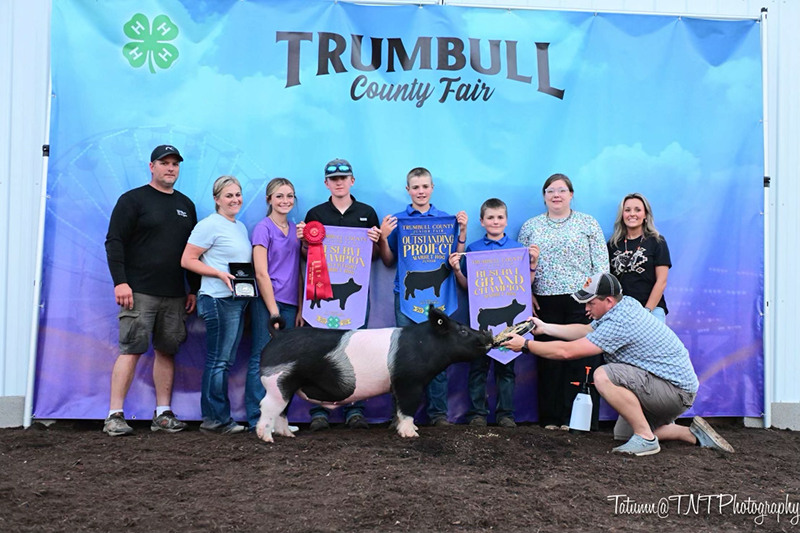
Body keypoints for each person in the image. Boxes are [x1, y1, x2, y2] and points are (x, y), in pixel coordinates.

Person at [502, 271, 734, 456]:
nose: (586, 308)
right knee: (623, 434)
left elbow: (567, 352)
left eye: (590, 303)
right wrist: (545, 328)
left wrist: (526, 345)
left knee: (603, 375)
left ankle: (646, 438)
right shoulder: (624, 305)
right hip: (672, 388)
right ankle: (691, 435)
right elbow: (587, 331)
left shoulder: (620, 322)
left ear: (609, 301)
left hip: (674, 392)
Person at [103, 144, 198, 437]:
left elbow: (193, 252)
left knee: (167, 351)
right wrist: (120, 281)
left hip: (175, 293)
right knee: (131, 349)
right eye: (164, 163)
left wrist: (193, 289)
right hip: (138, 292)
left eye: (175, 164)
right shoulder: (132, 200)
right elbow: (114, 241)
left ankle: (163, 414)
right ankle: (114, 416)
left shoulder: (186, 205)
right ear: (151, 166)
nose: (170, 168)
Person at [517, 173, 608, 431]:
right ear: (544, 196)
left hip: (582, 302)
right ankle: (551, 418)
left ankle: (579, 421)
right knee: (549, 360)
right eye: (550, 191)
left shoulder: (588, 223)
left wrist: (596, 299)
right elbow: (520, 265)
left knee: (582, 359)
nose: (556, 195)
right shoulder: (530, 227)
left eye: (561, 190)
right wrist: (527, 293)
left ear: (571, 194)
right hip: (545, 302)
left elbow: (602, 265)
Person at [379, 167, 468, 426]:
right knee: (404, 357)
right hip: (406, 300)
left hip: (440, 301)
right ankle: (400, 415)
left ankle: (438, 414)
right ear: (408, 190)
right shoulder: (397, 221)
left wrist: (462, 232)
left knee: (438, 355)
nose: (420, 191)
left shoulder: (446, 220)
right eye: (415, 187)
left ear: (432, 188)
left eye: (425, 186)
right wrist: (383, 238)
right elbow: (388, 260)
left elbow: (456, 257)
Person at [301, 158, 381, 431]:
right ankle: (319, 410)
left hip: (355, 298)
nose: (339, 183)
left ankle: (355, 409)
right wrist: (305, 243)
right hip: (322, 292)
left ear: (352, 181)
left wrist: (376, 242)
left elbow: (376, 256)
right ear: (326, 183)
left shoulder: (367, 213)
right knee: (319, 351)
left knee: (356, 350)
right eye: (334, 179)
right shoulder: (315, 213)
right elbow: (306, 255)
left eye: (343, 178)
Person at [448, 198, 536, 429]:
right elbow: (467, 287)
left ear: (506, 220)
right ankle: (477, 413)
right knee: (478, 368)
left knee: (506, 368)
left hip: (508, 327)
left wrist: (533, 264)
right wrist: (457, 270)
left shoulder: (518, 249)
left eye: (499, 217)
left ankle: (506, 414)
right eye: (490, 218)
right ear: (482, 221)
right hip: (481, 322)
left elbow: (525, 286)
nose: (495, 221)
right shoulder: (473, 250)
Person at [181, 175, 251, 435]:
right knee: (219, 361)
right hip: (217, 299)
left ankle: (217, 417)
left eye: (237, 194)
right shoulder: (209, 225)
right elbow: (187, 260)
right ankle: (215, 419)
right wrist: (218, 274)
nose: (235, 199)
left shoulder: (240, 227)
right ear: (217, 199)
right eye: (228, 195)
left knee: (224, 361)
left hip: (235, 300)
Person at [246, 178, 304, 431]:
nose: (285, 201)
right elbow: (261, 272)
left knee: (284, 364)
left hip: (291, 303)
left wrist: (300, 307)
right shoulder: (263, 228)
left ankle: (279, 421)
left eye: (289, 196)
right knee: (261, 358)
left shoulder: (294, 229)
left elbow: (298, 270)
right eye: (279, 196)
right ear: (268, 199)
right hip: (269, 303)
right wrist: (273, 312)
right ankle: (255, 419)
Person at [608, 193, 671, 323]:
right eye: (627, 210)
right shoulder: (612, 245)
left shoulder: (657, 241)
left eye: (637, 210)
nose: (632, 214)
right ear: (622, 215)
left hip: (652, 310)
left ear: (645, 215)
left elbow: (661, 281)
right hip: (622, 312)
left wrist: (647, 311)